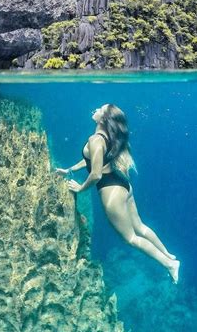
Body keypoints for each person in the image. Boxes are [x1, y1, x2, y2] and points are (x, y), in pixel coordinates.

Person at [54, 103, 180, 284]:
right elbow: (90, 159)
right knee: (140, 227)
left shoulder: (96, 139)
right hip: (123, 186)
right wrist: (69, 170)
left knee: (131, 238)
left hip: (111, 193)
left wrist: (81, 189)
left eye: (100, 109)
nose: (95, 109)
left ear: (104, 118)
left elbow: (96, 174)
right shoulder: (108, 137)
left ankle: (169, 264)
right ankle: (168, 253)